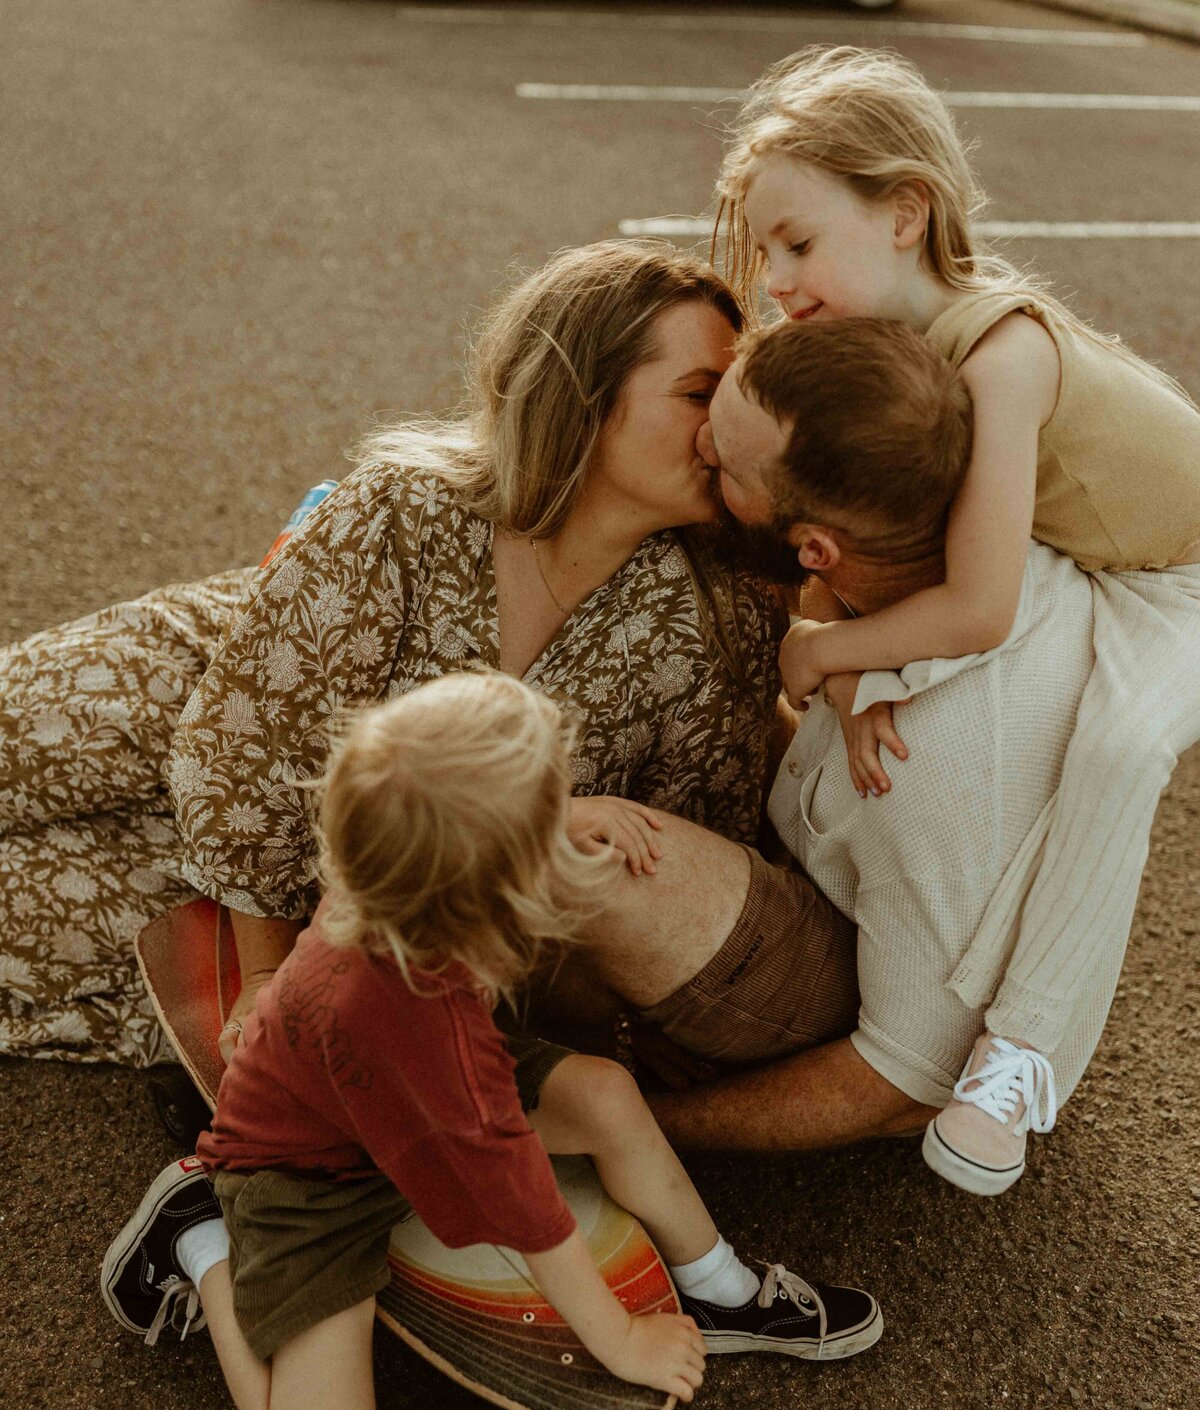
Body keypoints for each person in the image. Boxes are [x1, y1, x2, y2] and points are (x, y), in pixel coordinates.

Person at [0, 241, 785, 1069]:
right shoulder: (404, 506)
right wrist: (267, 976)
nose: (722, 431)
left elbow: (653, 879)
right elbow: (247, 749)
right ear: (584, 397)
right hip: (198, 699)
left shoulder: (718, 620)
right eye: (700, 394)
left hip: (346, 896)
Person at [99, 675, 882, 1410]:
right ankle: (198, 1239)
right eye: (548, 818)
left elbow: (437, 830)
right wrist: (621, 1339)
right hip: (306, 1173)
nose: (566, 822)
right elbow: (523, 1211)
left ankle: (717, 1290)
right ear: (495, 888)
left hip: (379, 1093)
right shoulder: (432, 1040)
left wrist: (565, 820)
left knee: (606, 1095)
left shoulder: (388, 881)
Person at [713, 44, 1200, 1193]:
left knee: (1119, 749)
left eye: (796, 243)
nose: (776, 279)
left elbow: (978, 608)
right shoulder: (889, 347)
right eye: (765, 253)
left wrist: (826, 651)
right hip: (1095, 555)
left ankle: (1018, 1055)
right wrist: (849, 676)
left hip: (1179, 577)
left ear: (904, 212)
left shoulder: (1003, 356)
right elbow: (858, 532)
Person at [555, 317, 1127, 1168]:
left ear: (816, 545)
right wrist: (837, 658)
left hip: (864, 969)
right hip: (838, 839)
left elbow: (901, 1083)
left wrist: (638, 1128)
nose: (700, 440)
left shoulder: (937, 774)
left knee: (588, 861)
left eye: (724, 459)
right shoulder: (924, 518)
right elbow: (826, 586)